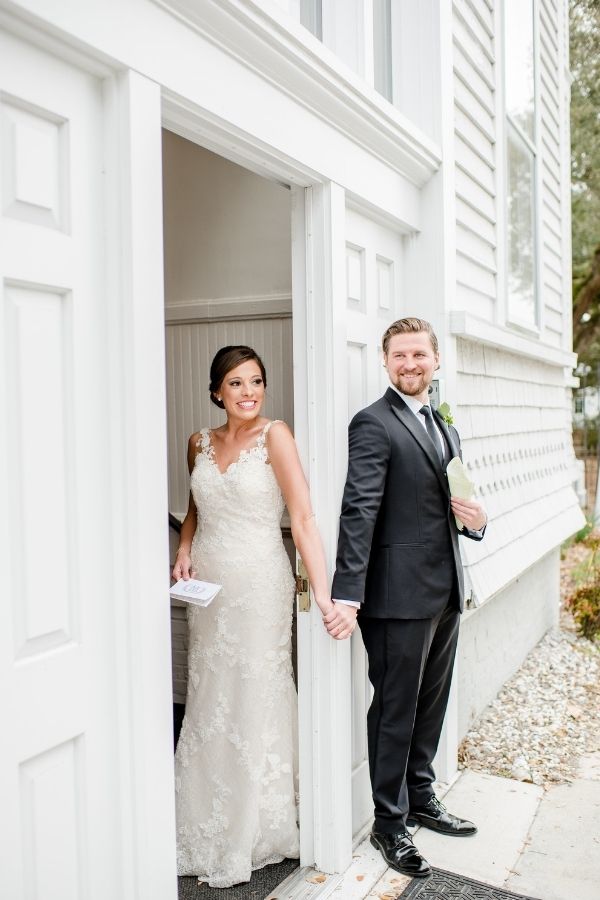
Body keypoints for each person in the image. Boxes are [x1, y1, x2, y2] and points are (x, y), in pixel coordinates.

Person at [172, 345, 340, 888]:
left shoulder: (276, 437)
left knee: (254, 689)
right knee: (210, 693)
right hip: (210, 587)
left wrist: (325, 594)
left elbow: (305, 517)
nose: (249, 393)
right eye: (237, 384)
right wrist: (184, 548)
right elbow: (197, 507)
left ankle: (259, 823)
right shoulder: (199, 441)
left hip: (259, 583)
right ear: (217, 390)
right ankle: (201, 815)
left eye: (257, 382)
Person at [327, 317, 487, 879]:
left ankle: (421, 794)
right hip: (395, 598)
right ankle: (389, 823)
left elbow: (456, 502)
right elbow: (359, 510)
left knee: (432, 705)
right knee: (395, 711)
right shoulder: (372, 424)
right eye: (399, 355)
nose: (410, 364)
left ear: (435, 361)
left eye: (419, 354)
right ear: (386, 361)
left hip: (445, 594)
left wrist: (478, 521)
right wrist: (346, 593)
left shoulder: (443, 424)